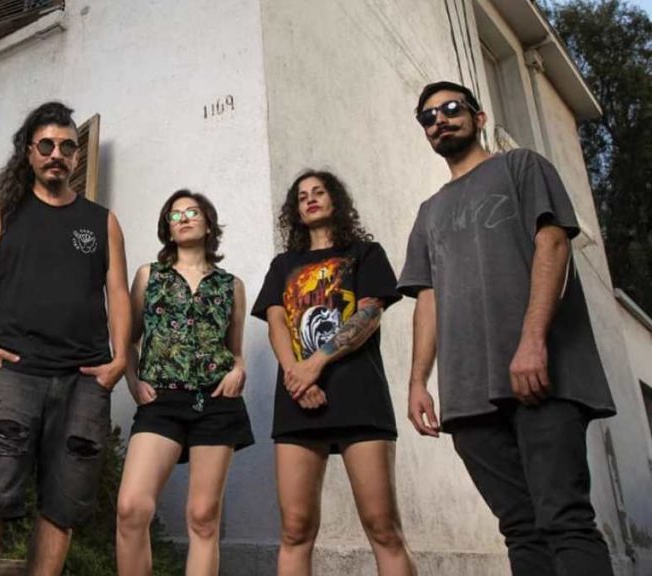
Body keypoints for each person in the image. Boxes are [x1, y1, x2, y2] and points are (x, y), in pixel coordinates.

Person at [399, 81, 616, 576]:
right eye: (428, 116)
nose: (440, 120)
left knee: (565, 520)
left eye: (451, 108)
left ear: (479, 118)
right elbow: (427, 298)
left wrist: (532, 342)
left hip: (542, 375)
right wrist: (417, 382)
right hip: (468, 396)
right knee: (520, 529)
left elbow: (553, 244)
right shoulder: (429, 212)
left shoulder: (521, 166)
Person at [0, 101, 130, 576]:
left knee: (63, 505)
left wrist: (118, 362)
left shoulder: (102, 221)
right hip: (13, 375)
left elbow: (118, 293)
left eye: (67, 146)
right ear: (29, 152)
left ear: (77, 155)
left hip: (83, 380)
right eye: (47, 145)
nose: (57, 154)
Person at [252, 170, 415, 576]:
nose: (310, 199)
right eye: (301, 195)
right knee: (294, 530)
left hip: (359, 397)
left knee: (383, 528)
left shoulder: (365, 253)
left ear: (335, 200)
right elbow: (276, 322)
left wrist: (315, 364)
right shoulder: (283, 265)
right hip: (297, 401)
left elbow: (368, 314)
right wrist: (296, 375)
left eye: (319, 192)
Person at [115, 190, 253, 576]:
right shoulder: (149, 276)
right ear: (168, 228)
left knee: (204, 517)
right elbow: (129, 340)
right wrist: (133, 382)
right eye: (175, 215)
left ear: (208, 224)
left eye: (192, 212)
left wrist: (238, 370)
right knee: (131, 508)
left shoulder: (231, 285)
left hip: (217, 403)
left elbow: (235, 351)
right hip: (161, 401)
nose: (184, 219)